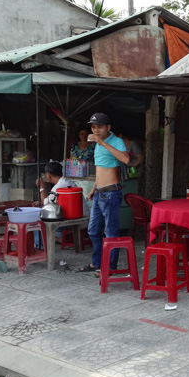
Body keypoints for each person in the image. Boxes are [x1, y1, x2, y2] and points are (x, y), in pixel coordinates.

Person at [78, 113, 130, 276]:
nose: (96, 130)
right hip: (99, 192)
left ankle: (110, 267)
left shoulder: (116, 141)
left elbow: (126, 159)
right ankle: (97, 263)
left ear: (108, 128)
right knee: (93, 230)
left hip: (111, 193)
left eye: (99, 127)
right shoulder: (97, 145)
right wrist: (93, 188)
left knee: (111, 232)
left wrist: (102, 142)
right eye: (93, 127)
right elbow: (101, 170)